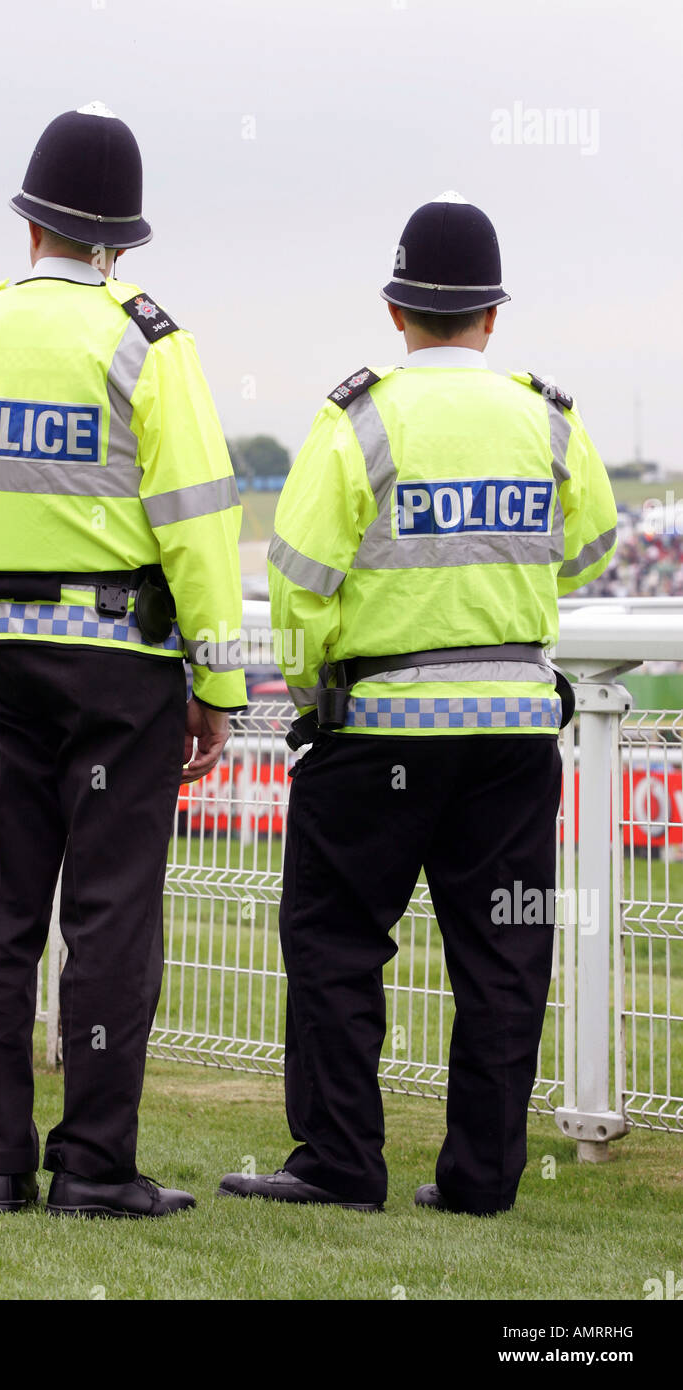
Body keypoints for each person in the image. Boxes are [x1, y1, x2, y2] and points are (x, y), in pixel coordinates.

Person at [219, 191, 617, 1215]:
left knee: (334, 942)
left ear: (396, 311)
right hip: (513, 732)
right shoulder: (546, 415)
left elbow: (297, 578)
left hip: (378, 729)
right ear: (492, 314)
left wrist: (315, 698)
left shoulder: (356, 418)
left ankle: (342, 1162)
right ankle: (481, 1179)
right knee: (500, 953)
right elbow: (589, 549)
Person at [0, 103, 246, 1219]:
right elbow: (197, 526)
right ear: (117, 244)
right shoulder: (149, 342)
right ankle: (94, 1166)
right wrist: (218, 684)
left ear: (31, 223)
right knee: (107, 921)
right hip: (121, 669)